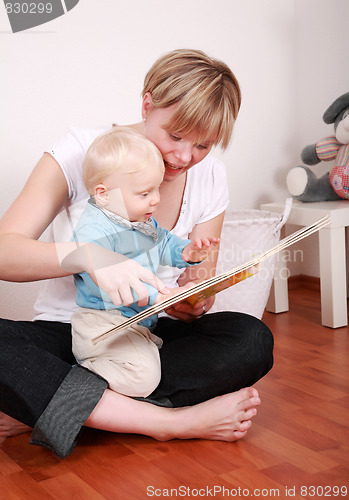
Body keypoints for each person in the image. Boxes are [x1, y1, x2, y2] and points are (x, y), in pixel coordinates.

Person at [0, 48, 273, 458]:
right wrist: (87, 256)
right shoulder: (81, 150)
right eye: (175, 135)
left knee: (251, 338)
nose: (184, 157)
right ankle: (168, 422)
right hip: (76, 334)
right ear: (147, 104)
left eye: (203, 144)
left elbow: (196, 275)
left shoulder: (211, 174)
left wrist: (192, 299)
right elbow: (5, 251)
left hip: (149, 336)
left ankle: (53, 405)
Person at [71, 127, 219, 397]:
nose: (156, 199)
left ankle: (112, 400)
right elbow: (111, 283)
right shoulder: (94, 230)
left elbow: (163, 242)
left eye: (157, 189)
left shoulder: (140, 221)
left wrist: (187, 252)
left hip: (139, 323)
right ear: (104, 194)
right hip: (102, 324)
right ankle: (72, 379)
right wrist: (163, 296)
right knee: (143, 378)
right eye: (144, 193)